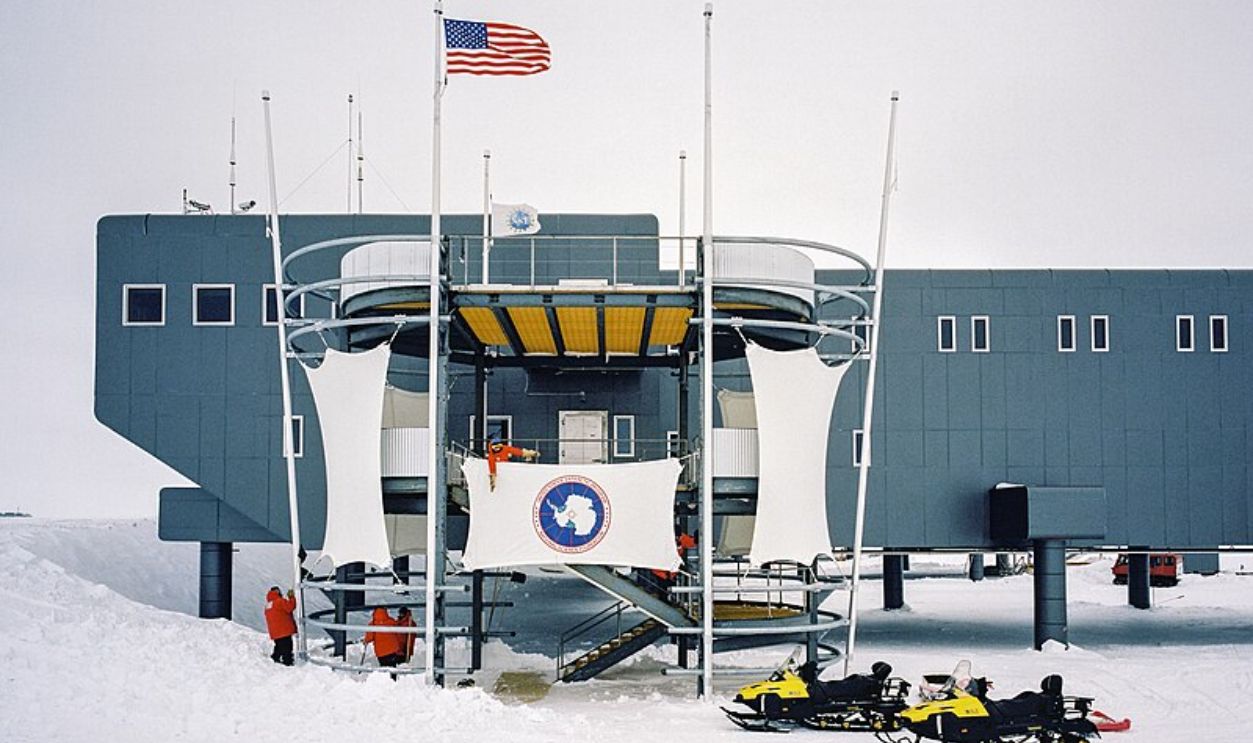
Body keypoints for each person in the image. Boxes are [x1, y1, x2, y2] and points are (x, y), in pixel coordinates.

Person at [264, 586, 298, 666]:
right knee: (287, 647)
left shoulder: (268, 605)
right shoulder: (279, 601)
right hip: (284, 630)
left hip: (275, 632)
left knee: (279, 646)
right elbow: (290, 607)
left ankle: (275, 658)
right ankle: (288, 662)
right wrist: (291, 597)